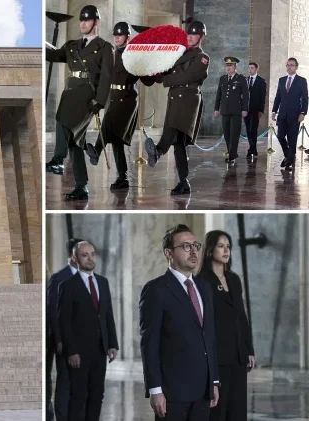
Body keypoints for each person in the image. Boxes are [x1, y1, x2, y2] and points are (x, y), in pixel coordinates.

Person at [140, 224, 220, 420]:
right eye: (185, 246)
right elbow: (150, 343)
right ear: (169, 253)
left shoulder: (204, 287)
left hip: (203, 390)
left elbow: (209, 336)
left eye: (195, 245)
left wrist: (214, 381)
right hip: (172, 392)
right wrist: (155, 389)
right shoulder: (156, 290)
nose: (193, 251)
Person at [45, 4, 113, 201]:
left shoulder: (104, 47)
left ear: (96, 23)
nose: (83, 23)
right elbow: (55, 55)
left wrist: (99, 102)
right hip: (71, 92)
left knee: (61, 119)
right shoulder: (72, 45)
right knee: (75, 142)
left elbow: (107, 77)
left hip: (87, 95)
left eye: (87, 20)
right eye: (81, 20)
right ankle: (81, 187)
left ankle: (58, 159)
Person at [85, 22, 154, 189]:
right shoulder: (112, 54)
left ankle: (96, 151)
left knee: (109, 127)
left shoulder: (133, 55)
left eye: (120, 35)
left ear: (127, 37)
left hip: (128, 98)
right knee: (116, 141)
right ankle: (122, 178)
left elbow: (148, 79)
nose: (116, 37)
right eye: (115, 35)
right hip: (115, 97)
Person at [145, 21, 210, 195]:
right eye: (188, 34)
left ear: (201, 37)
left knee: (173, 128)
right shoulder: (180, 55)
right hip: (175, 99)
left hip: (188, 100)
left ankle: (158, 151)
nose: (189, 37)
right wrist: (151, 73)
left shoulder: (202, 58)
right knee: (179, 143)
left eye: (194, 34)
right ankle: (184, 182)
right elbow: (167, 72)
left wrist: (165, 79)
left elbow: (186, 76)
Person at [58, 240, 119, 421]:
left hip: (100, 350)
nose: (90, 259)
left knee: (97, 394)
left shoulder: (103, 282)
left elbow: (107, 315)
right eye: (85, 255)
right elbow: (64, 321)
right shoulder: (67, 285)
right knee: (78, 396)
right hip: (79, 353)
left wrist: (112, 344)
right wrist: (71, 351)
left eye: (92, 254)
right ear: (75, 259)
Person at [199, 231, 256, 421]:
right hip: (218, 357)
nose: (226, 250)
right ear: (210, 249)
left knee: (238, 411)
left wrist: (249, 349)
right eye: (221, 246)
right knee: (218, 411)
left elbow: (241, 315)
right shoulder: (202, 281)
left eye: (228, 246)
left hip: (238, 357)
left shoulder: (234, 279)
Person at [47, 238, 83, 421]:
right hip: (63, 340)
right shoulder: (58, 278)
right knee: (64, 382)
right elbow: (54, 310)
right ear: (71, 255)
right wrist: (60, 339)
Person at [272, 57, 308, 170]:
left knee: (292, 139)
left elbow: (305, 98)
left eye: (291, 65)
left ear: (296, 67)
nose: (289, 67)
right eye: (287, 65)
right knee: (280, 136)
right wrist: (274, 111)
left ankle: (289, 162)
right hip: (282, 114)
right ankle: (289, 156)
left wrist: (303, 112)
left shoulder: (301, 81)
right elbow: (278, 97)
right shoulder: (282, 80)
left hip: (295, 114)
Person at [214, 57, 249, 164]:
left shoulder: (241, 79)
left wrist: (244, 109)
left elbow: (246, 96)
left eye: (230, 66)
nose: (228, 68)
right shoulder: (222, 79)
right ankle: (232, 153)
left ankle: (232, 156)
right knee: (227, 134)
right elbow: (219, 95)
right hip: (225, 110)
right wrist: (216, 108)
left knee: (234, 133)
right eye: (227, 66)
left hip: (236, 111)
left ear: (235, 67)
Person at [245, 62, 267, 159]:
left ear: (257, 69)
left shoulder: (261, 81)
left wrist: (261, 111)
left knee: (253, 130)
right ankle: (253, 149)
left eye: (252, 68)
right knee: (248, 130)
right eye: (249, 68)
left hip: (255, 110)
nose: (250, 70)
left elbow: (262, 97)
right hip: (246, 110)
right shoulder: (245, 80)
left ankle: (251, 149)